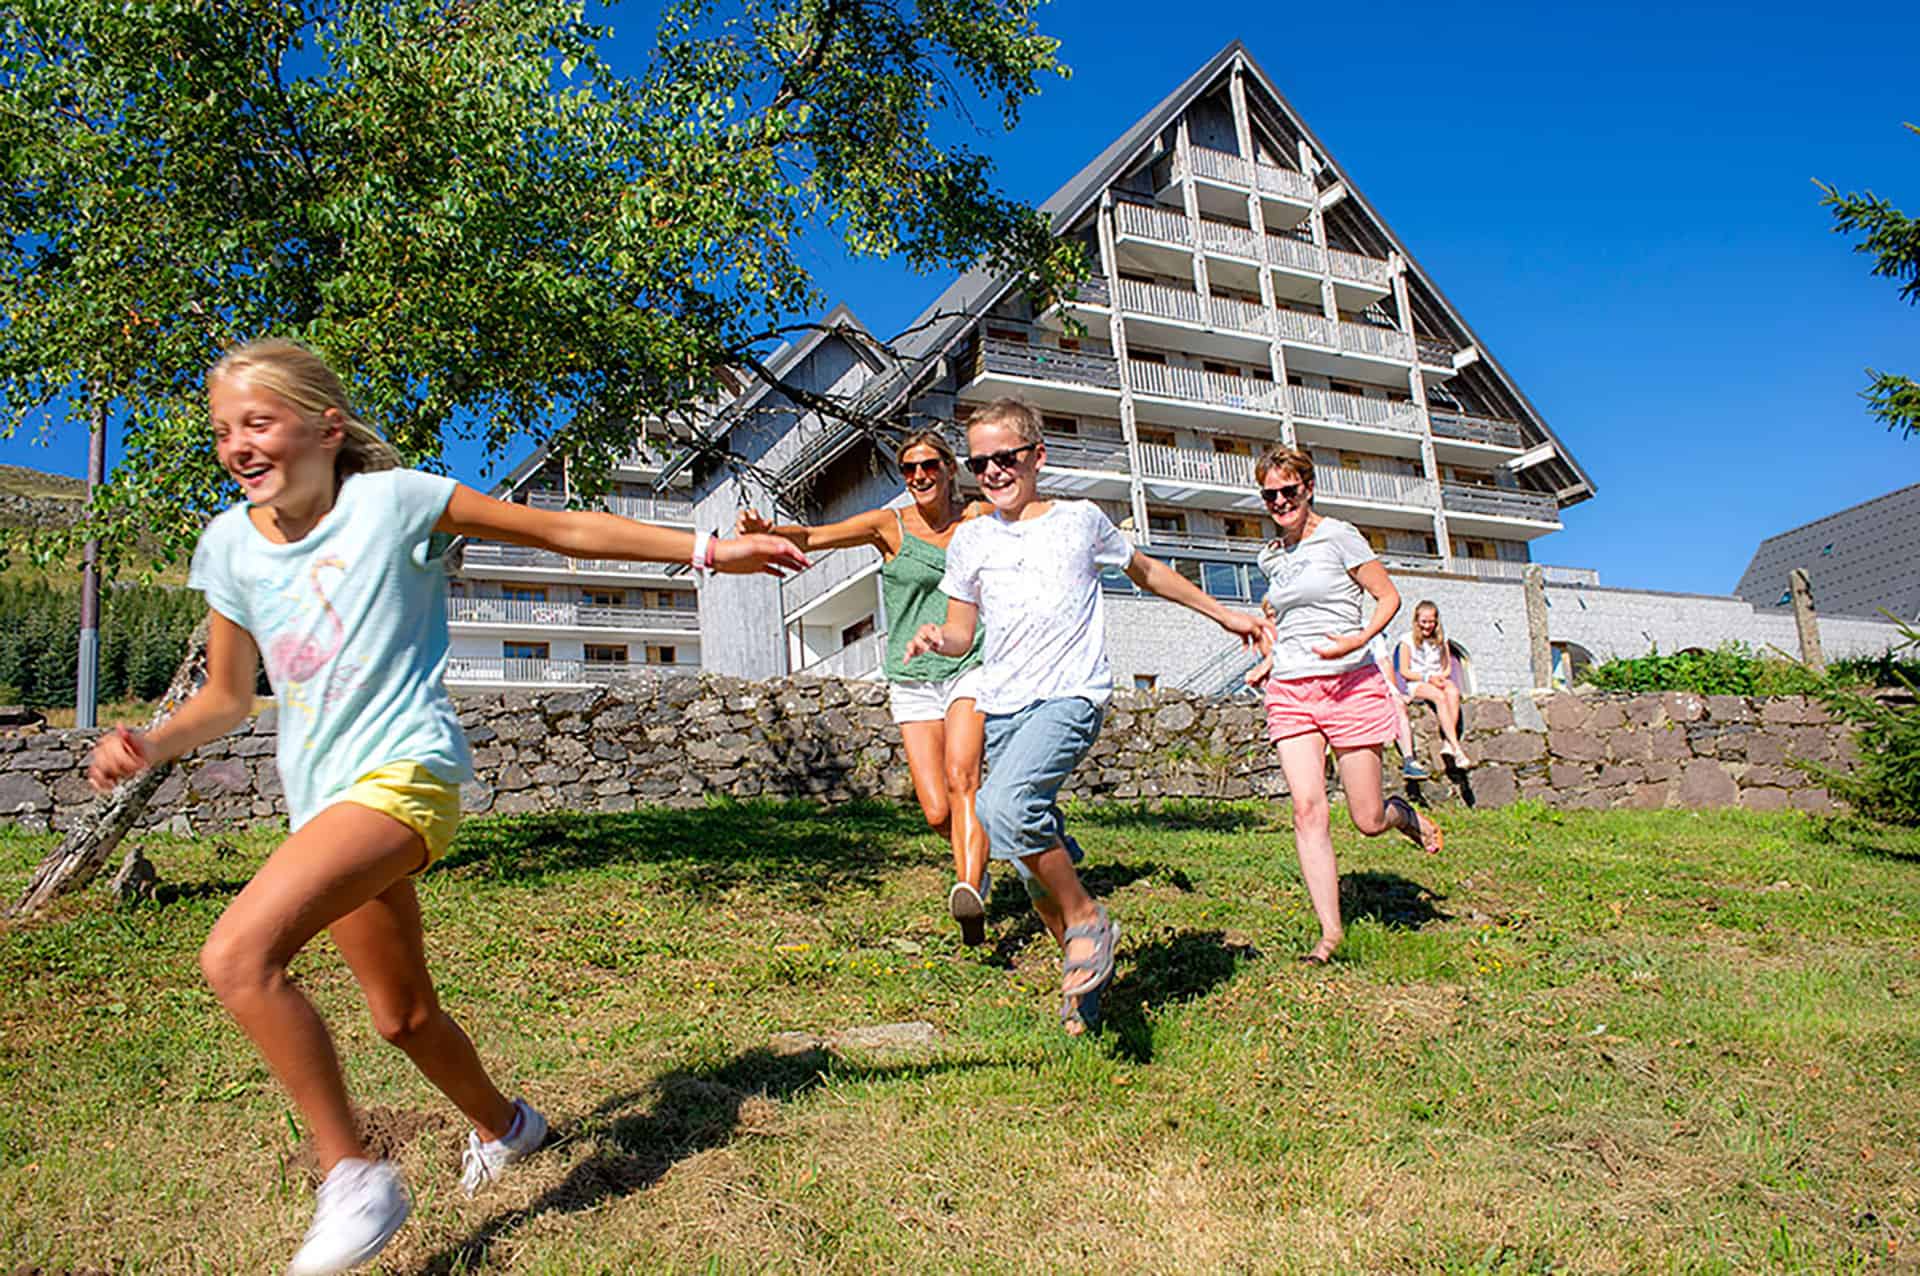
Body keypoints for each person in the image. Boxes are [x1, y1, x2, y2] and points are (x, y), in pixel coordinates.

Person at [84, 339, 807, 1276]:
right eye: (223, 431)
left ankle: (352, 1175)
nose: (237, 446)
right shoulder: (228, 546)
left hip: (403, 775)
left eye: (257, 423)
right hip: (322, 804)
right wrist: (154, 742)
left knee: (236, 957)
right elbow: (227, 697)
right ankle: (509, 1127)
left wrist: (711, 550)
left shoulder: (396, 502)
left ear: (325, 428)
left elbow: (560, 531)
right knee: (403, 1018)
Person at [906, 398, 1272, 1033]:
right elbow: (963, 631)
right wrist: (939, 638)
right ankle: (1085, 982)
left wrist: (1225, 614)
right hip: (1004, 707)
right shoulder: (972, 539)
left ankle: (1086, 920)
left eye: (1004, 457)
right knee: (1029, 859)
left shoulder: (1080, 520)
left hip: (1070, 695)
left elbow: (1148, 571)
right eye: (980, 462)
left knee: (1002, 808)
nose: (992, 472)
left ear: (1037, 456)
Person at [737, 430, 997, 944]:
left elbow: (1033, 525)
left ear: (950, 469)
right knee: (936, 810)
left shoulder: (979, 519)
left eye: (929, 465)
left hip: (970, 664)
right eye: (909, 469)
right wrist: (768, 531)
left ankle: (969, 886)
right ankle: (984, 857)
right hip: (911, 677)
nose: (919, 476)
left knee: (963, 778)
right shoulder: (888, 525)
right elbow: (815, 537)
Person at [1241, 446, 1443, 967]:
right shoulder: (1270, 557)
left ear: (1308, 488)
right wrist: (1269, 657)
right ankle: (1330, 934)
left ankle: (1403, 816)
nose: (1279, 501)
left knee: (1367, 819)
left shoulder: (1339, 536)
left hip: (1350, 685)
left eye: (1288, 490)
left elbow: (1388, 598)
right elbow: (1281, 619)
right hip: (1292, 691)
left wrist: (1358, 640)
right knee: (1307, 809)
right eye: (1269, 494)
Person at [1394, 599, 1473, 769]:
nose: (1427, 626)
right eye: (1424, 621)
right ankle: (1456, 747)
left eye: (1431, 622)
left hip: (1436, 679)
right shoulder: (1406, 641)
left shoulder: (1441, 640)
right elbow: (1405, 671)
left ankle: (1447, 742)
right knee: (1439, 697)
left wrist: (1440, 678)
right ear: (1416, 621)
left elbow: (1446, 667)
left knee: (1452, 692)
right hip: (1417, 682)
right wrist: (1428, 678)